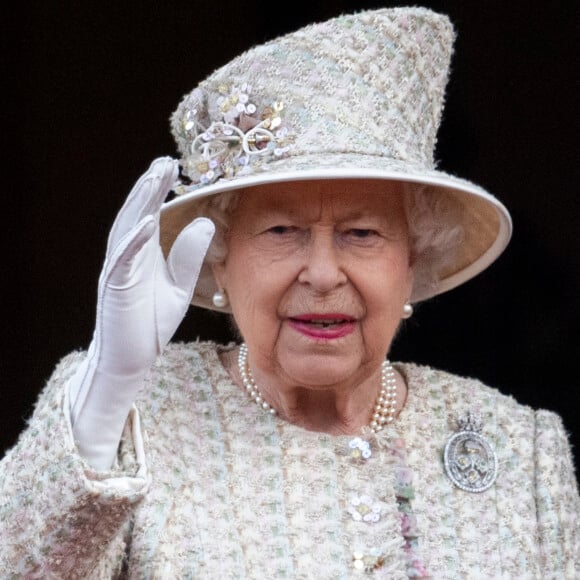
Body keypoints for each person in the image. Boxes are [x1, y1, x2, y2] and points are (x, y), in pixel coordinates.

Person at [1, 6, 578, 578]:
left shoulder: (521, 451)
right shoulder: (126, 411)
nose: (323, 274)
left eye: (362, 233)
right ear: (220, 259)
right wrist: (105, 397)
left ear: (413, 261)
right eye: (282, 231)